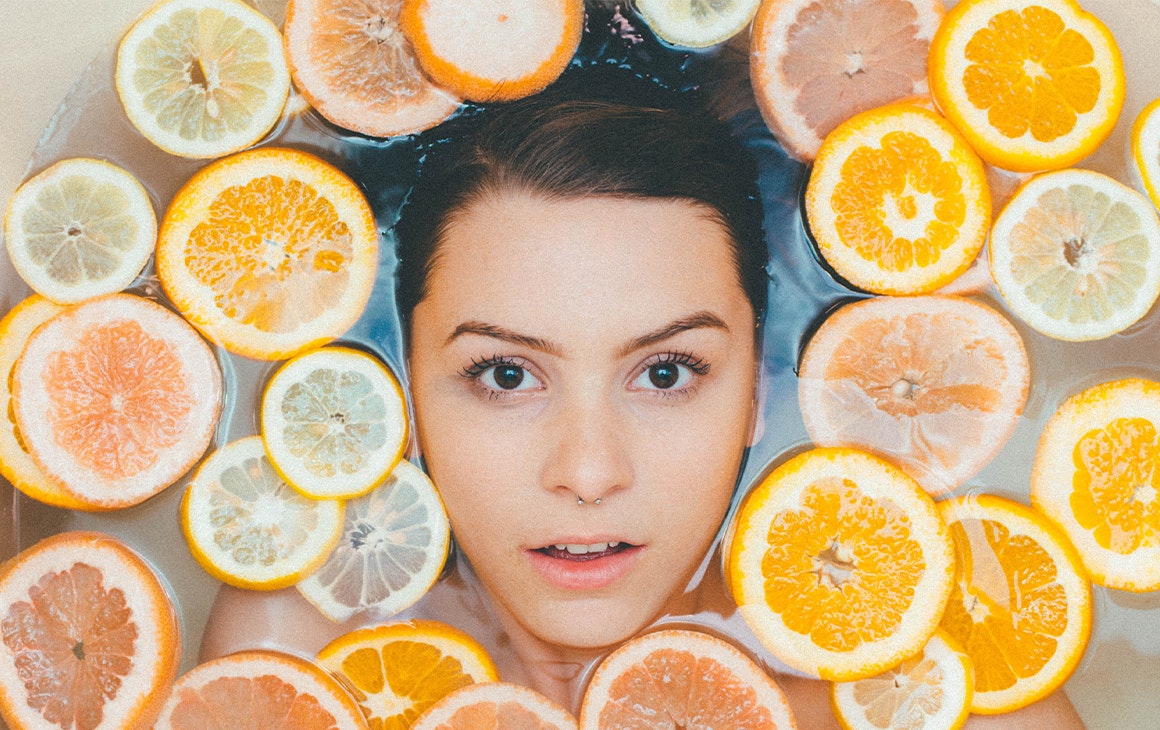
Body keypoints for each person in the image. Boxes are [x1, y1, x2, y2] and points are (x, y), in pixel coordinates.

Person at [202, 70, 1085, 728]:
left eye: (666, 373)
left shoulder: (941, 693)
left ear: (755, 393)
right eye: (505, 375)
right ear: (408, 396)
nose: (588, 472)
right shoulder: (301, 667)